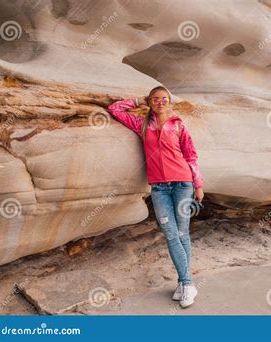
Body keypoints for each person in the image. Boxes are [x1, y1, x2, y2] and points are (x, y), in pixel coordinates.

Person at [108, 86, 204, 308]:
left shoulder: (178, 124)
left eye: (164, 99)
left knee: (182, 233)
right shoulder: (142, 125)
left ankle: (185, 284)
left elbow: (190, 155)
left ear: (169, 102)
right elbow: (115, 109)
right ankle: (187, 283)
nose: (160, 102)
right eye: (156, 99)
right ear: (150, 101)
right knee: (171, 233)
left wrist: (198, 184)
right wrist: (139, 100)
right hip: (159, 188)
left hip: (183, 183)